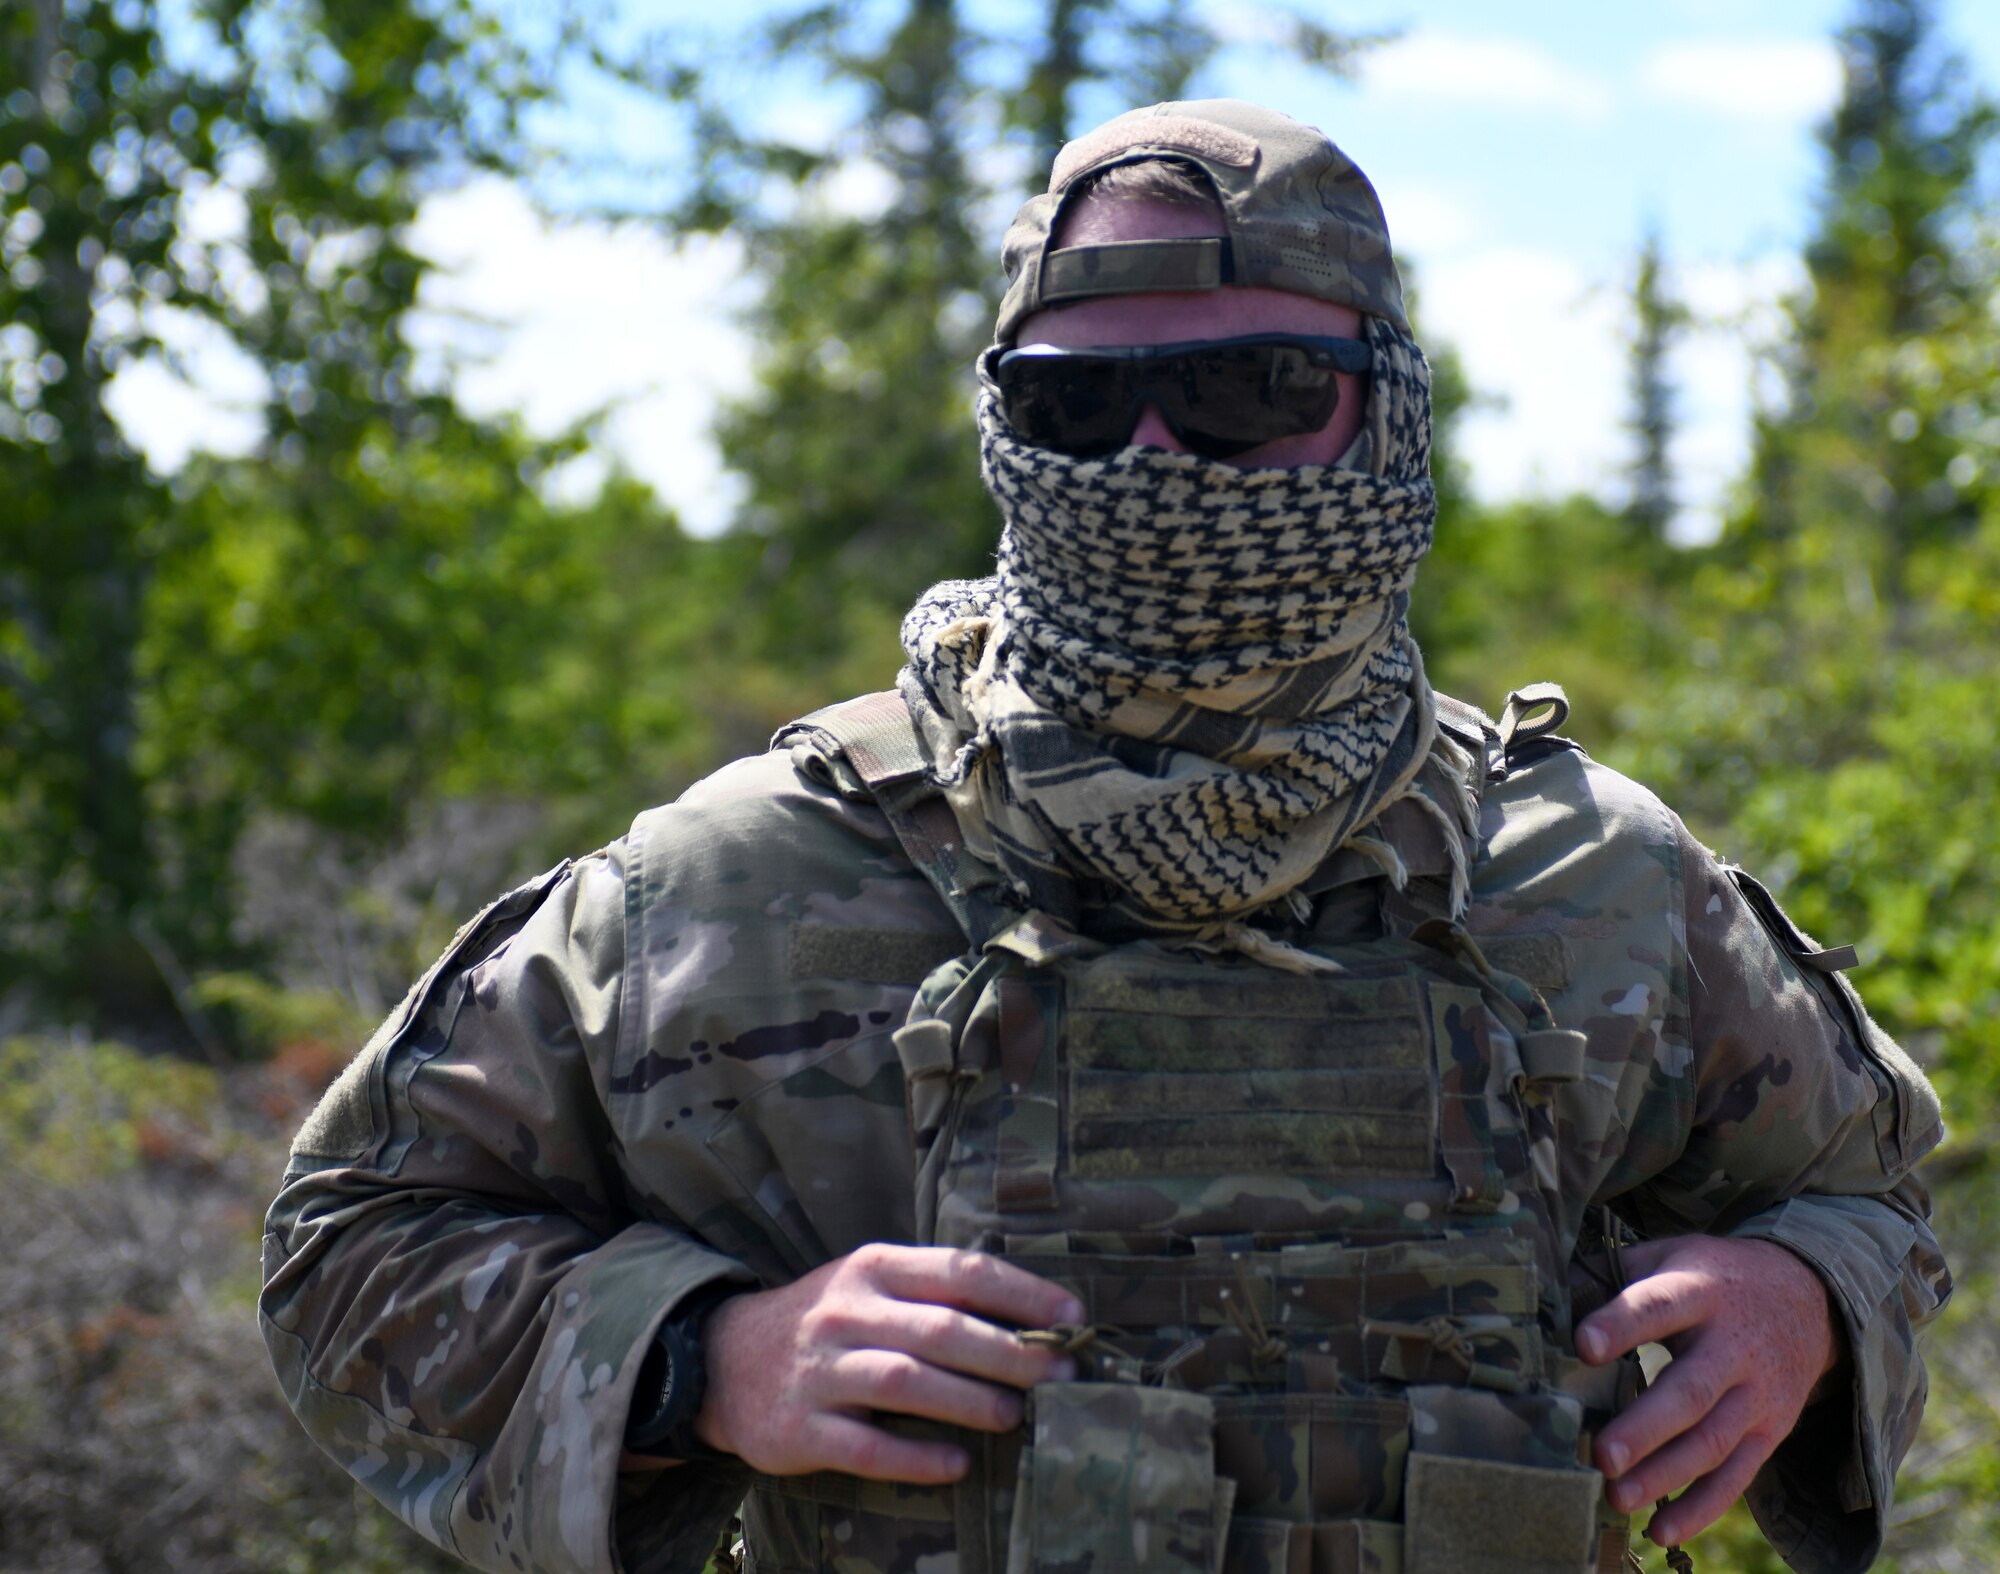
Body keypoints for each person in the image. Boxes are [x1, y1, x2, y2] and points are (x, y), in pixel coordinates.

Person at [261, 100, 1948, 1574]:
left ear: (1386, 411)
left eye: (1249, 390)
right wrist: (705, 1358)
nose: (1153, 460)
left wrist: (1801, 1303)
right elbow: (352, 1241)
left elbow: (1869, 1191)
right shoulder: (734, 886)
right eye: (1079, 404)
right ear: (1006, 424)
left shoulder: (1597, 879)